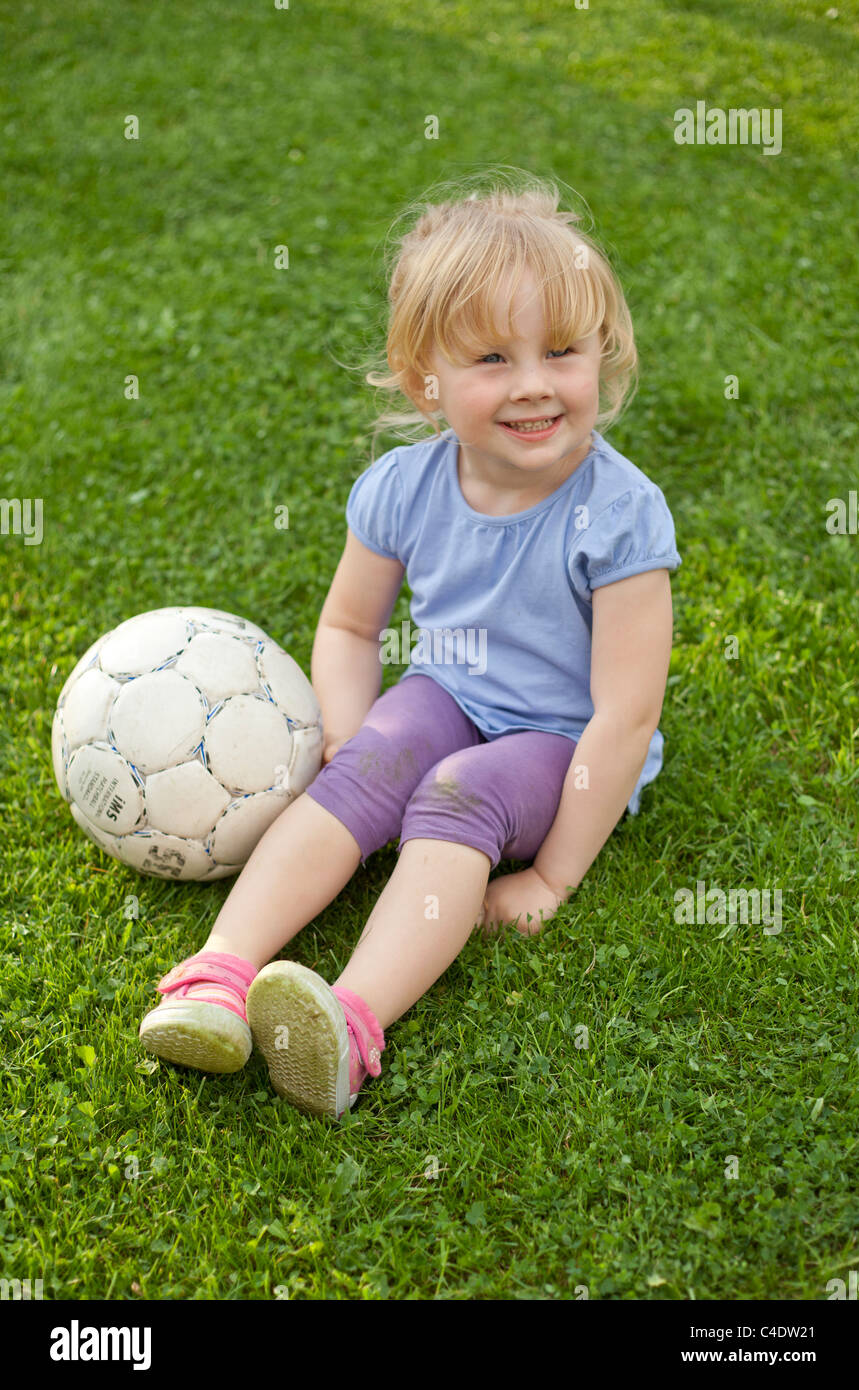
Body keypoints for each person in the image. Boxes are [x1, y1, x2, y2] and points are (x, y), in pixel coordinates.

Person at [139, 170, 682, 1120]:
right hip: (451, 694)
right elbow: (351, 625)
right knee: (377, 758)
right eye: (491, 360)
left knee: (454, 794)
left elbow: (625, 713)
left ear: (604, 352)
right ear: (425, 380)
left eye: (562, 350)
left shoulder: (621, 516)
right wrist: (346, 734)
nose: (533, 385)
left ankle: (349, 1025)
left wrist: (553, 874)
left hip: (562, 738)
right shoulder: (405, 486)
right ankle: (218, 975)